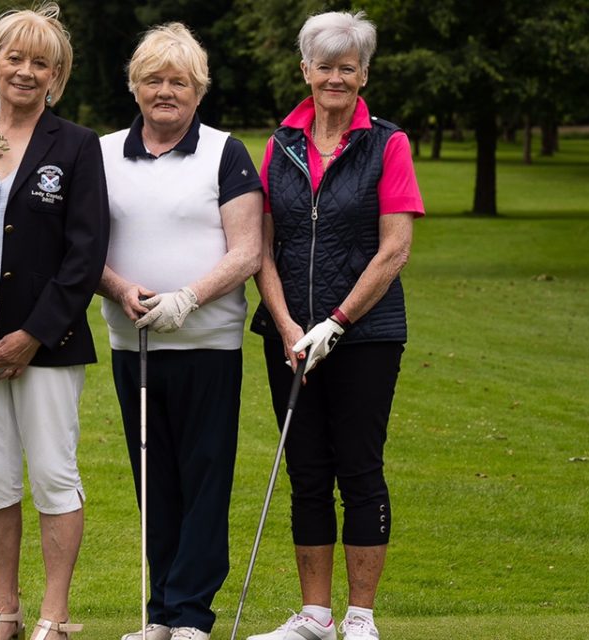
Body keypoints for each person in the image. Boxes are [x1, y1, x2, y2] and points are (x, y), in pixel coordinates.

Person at [245, 11, 424, 640]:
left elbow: (394, 248)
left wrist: (337, 323)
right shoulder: (281, 144)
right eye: (325, 67)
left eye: (348, 68)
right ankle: (315, 615)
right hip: (289, 336)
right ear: (306, 71)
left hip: (366, 337)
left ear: (363, 74)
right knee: (307, 469)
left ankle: (360, 616)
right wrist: (290, 323)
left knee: (359, 467)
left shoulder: (388, 143)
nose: (336, 78)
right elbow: (261, 247)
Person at [0, 4, 109, 640]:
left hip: (47, 337)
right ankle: (5, 611)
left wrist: (33, 334)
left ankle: (54, 616)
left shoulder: (76, 145)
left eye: (41, 61)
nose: (25, 70)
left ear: (57, 74)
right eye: (13, 57)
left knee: (52, 474)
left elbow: (85, 252)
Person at [99, 23, 263, 640]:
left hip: (207, 345)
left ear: (198, 92)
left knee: (203, 479)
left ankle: (191, 616)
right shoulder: (104, 151)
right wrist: (119, 287)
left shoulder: (226, 152)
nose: (165, 91)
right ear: (135, 87)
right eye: (153, 80)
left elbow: (248, 250)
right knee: (154, 482)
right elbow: (81, 248)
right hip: (132, 342)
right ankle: (160, 613)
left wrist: (188, 298)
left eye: (179, 82)